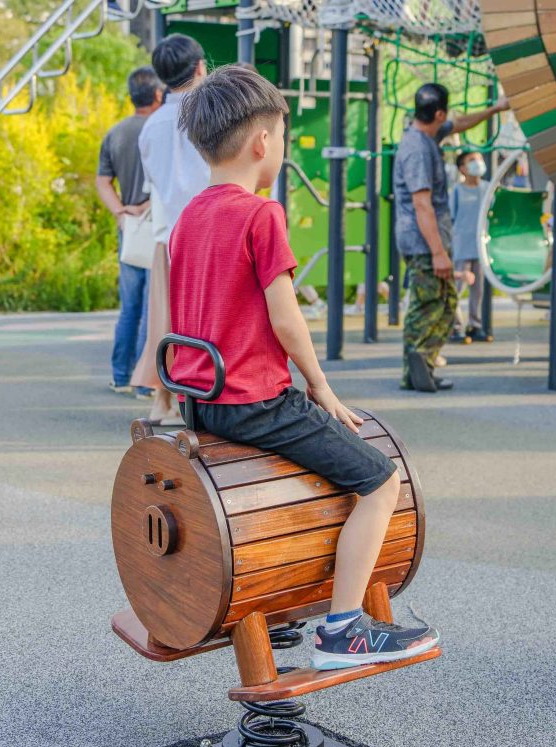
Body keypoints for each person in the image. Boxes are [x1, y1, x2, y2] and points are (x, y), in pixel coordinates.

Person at [169, 65, 440, 670]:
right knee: (378, 479)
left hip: (201, 397)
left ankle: (284, 602)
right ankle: (343, 630)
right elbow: (286, 319)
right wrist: (319, 387)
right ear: (263, 142)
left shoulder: (189, 217)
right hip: (255, 400)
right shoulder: (260, 214)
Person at [393, 86, 507, 392]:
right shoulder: (417, 149)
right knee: (431, 303)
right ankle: (418, 361)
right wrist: (438, 253)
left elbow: (459, 123)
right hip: (422, 241)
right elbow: (421, 204)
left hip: (427, 239)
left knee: (440, 301)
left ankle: (420, 366)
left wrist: (496, 109)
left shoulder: (428, 134)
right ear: (438, 112)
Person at [130, 34, 211, 425]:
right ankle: (188, 400)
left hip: (167, 236)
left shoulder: (152, 127)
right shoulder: (213, 112)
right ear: (199, 68)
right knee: (205, 320)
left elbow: (155, 185)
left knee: (164, 319)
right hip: (209, 232)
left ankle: (161, 400)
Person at [96, 66, 163, 395]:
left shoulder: (116, 133)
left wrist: (120, 210)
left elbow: (102, 181)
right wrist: (148, 205)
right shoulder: (160, 130)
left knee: (129, 306)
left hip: (129, 227)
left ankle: (120, 375)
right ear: (157, 95)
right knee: (153, 305)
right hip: (156, 225)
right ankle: (144, 383)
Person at [449, 150, 490, 342]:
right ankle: (455, 326)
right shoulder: (457, 191)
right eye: (472, 160)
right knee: (458, 287)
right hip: (462, 245)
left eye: (479, 159)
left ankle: (475, 324)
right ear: (463, 169)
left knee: (479, 290)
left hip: (481, 246)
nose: (478, 163)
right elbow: (451, 217)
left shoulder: (488, 189)